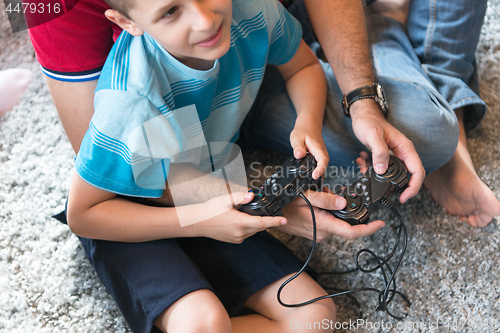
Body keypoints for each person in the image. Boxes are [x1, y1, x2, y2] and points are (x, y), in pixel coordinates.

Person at [65, 0, 337, 332]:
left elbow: (302, 67)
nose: (206, 20)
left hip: (204, 191)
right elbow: (82, 214)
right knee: (204, 323)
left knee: (314, 316)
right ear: (126, 22)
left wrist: (307, 123)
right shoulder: (129, 101)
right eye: (170, 11)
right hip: (125, 214)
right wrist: (199, 222)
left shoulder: (252, 10)